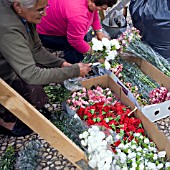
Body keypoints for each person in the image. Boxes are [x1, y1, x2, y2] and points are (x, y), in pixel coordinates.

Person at [0, 0, 91, 136]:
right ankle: (6, 120)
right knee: (33, 89)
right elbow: (30, 74)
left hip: (15, 59)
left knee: (48, 72)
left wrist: (60, 64)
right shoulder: (9, 28)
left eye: (45, 7)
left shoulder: (25, 14)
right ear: (18, 7)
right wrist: (73, 71)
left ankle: (26, 108)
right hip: (4, 69)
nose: (45, 13)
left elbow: (36, 49)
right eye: (40, 10)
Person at [37, 0, 117, 64]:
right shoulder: (78, 15)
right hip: (45, 32)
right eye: (102, 8)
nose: (104, 10)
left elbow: (93, 12)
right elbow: (75, 41)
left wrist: (99, 31)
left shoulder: (91, 4)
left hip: (48, 16)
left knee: (82, 38)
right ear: (92, 2)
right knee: (76, 50)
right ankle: (67, 65)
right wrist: (94, 53)